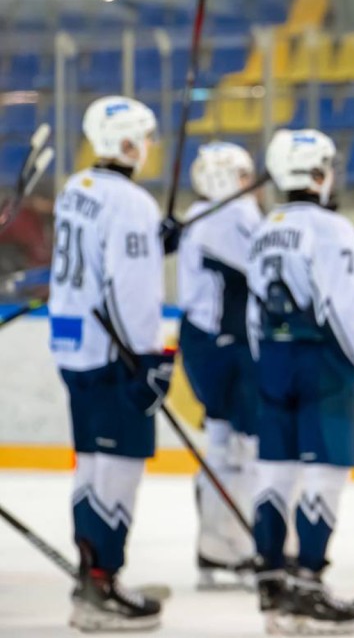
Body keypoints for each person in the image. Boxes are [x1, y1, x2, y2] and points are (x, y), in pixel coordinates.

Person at [247, 128, 354, 635]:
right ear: (316, 173)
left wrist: (265, 362)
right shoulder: (332, 229)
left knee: (275, 468)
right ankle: (309, 586)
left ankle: (272, 578)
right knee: (324, 471)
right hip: (320, 363)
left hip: (271, 358)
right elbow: (338, 307)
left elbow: (254, 313)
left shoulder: (264, 225)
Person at [47, 96, 173, 632]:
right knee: (118, 469)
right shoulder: (133, 204)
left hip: (74, 349)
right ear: (125, 143)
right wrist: (150, 359)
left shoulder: (77, 188)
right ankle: (103, 583)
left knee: (92, 463)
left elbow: (99, 258)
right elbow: (133, 291)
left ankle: (90, 576)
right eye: (141, 137)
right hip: (115, 354)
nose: (146, 148)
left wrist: (152, 241)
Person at [177, 141, 262, 589]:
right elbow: (267, 274)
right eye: (244, 175)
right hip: (227, 345)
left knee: (226, 446)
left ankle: (218, 548)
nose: (251, 185)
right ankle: (235, 549)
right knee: (241, 450)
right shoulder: (232, 215)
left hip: (207, 342)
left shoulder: (201, 215)